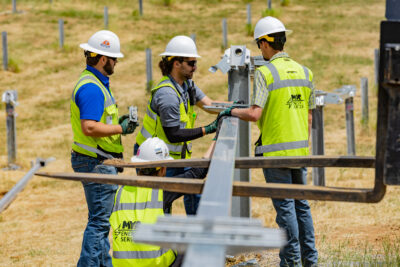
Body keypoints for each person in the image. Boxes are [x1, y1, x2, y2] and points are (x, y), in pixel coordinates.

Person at [219, 17, 318, 267]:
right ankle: (310, 260)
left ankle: (291, 262)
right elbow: (308, 116)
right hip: (300, 152)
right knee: (301, 207)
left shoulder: (265, 73)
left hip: (275, 154)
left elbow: (254, 114)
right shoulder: (306, 72)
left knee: (285, 210)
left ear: (264, 44)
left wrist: (230, 111)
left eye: (259, 44)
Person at [71, 30, 138, 267]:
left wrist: (115, 124)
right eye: (114, 59)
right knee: (99, 223)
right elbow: (89, 127)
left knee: (100, 221)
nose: (116, 62)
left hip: (94, 159)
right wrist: (121, 130)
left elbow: (98, 122)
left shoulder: (94, 83)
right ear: (102, 59)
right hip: (95, 162)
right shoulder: (91, 88)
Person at [135, 35, 224, 215]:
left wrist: (236, 108)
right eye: (191, 63)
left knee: (193, 189)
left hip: (174, 157)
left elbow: (210, 104)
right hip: (155, 160)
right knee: (161, 206)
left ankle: (193, 236)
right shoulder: (167, 95)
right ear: (176, 63)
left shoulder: (187, 85)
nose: (195, 67)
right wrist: (209, 129)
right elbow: (173, 134)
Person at [110, 137, 214, 267]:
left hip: (123, 264)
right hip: (155, 263)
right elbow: (197, 172)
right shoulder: (160, 191)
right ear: (163, 169)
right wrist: (215, 139)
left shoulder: (121, 191)